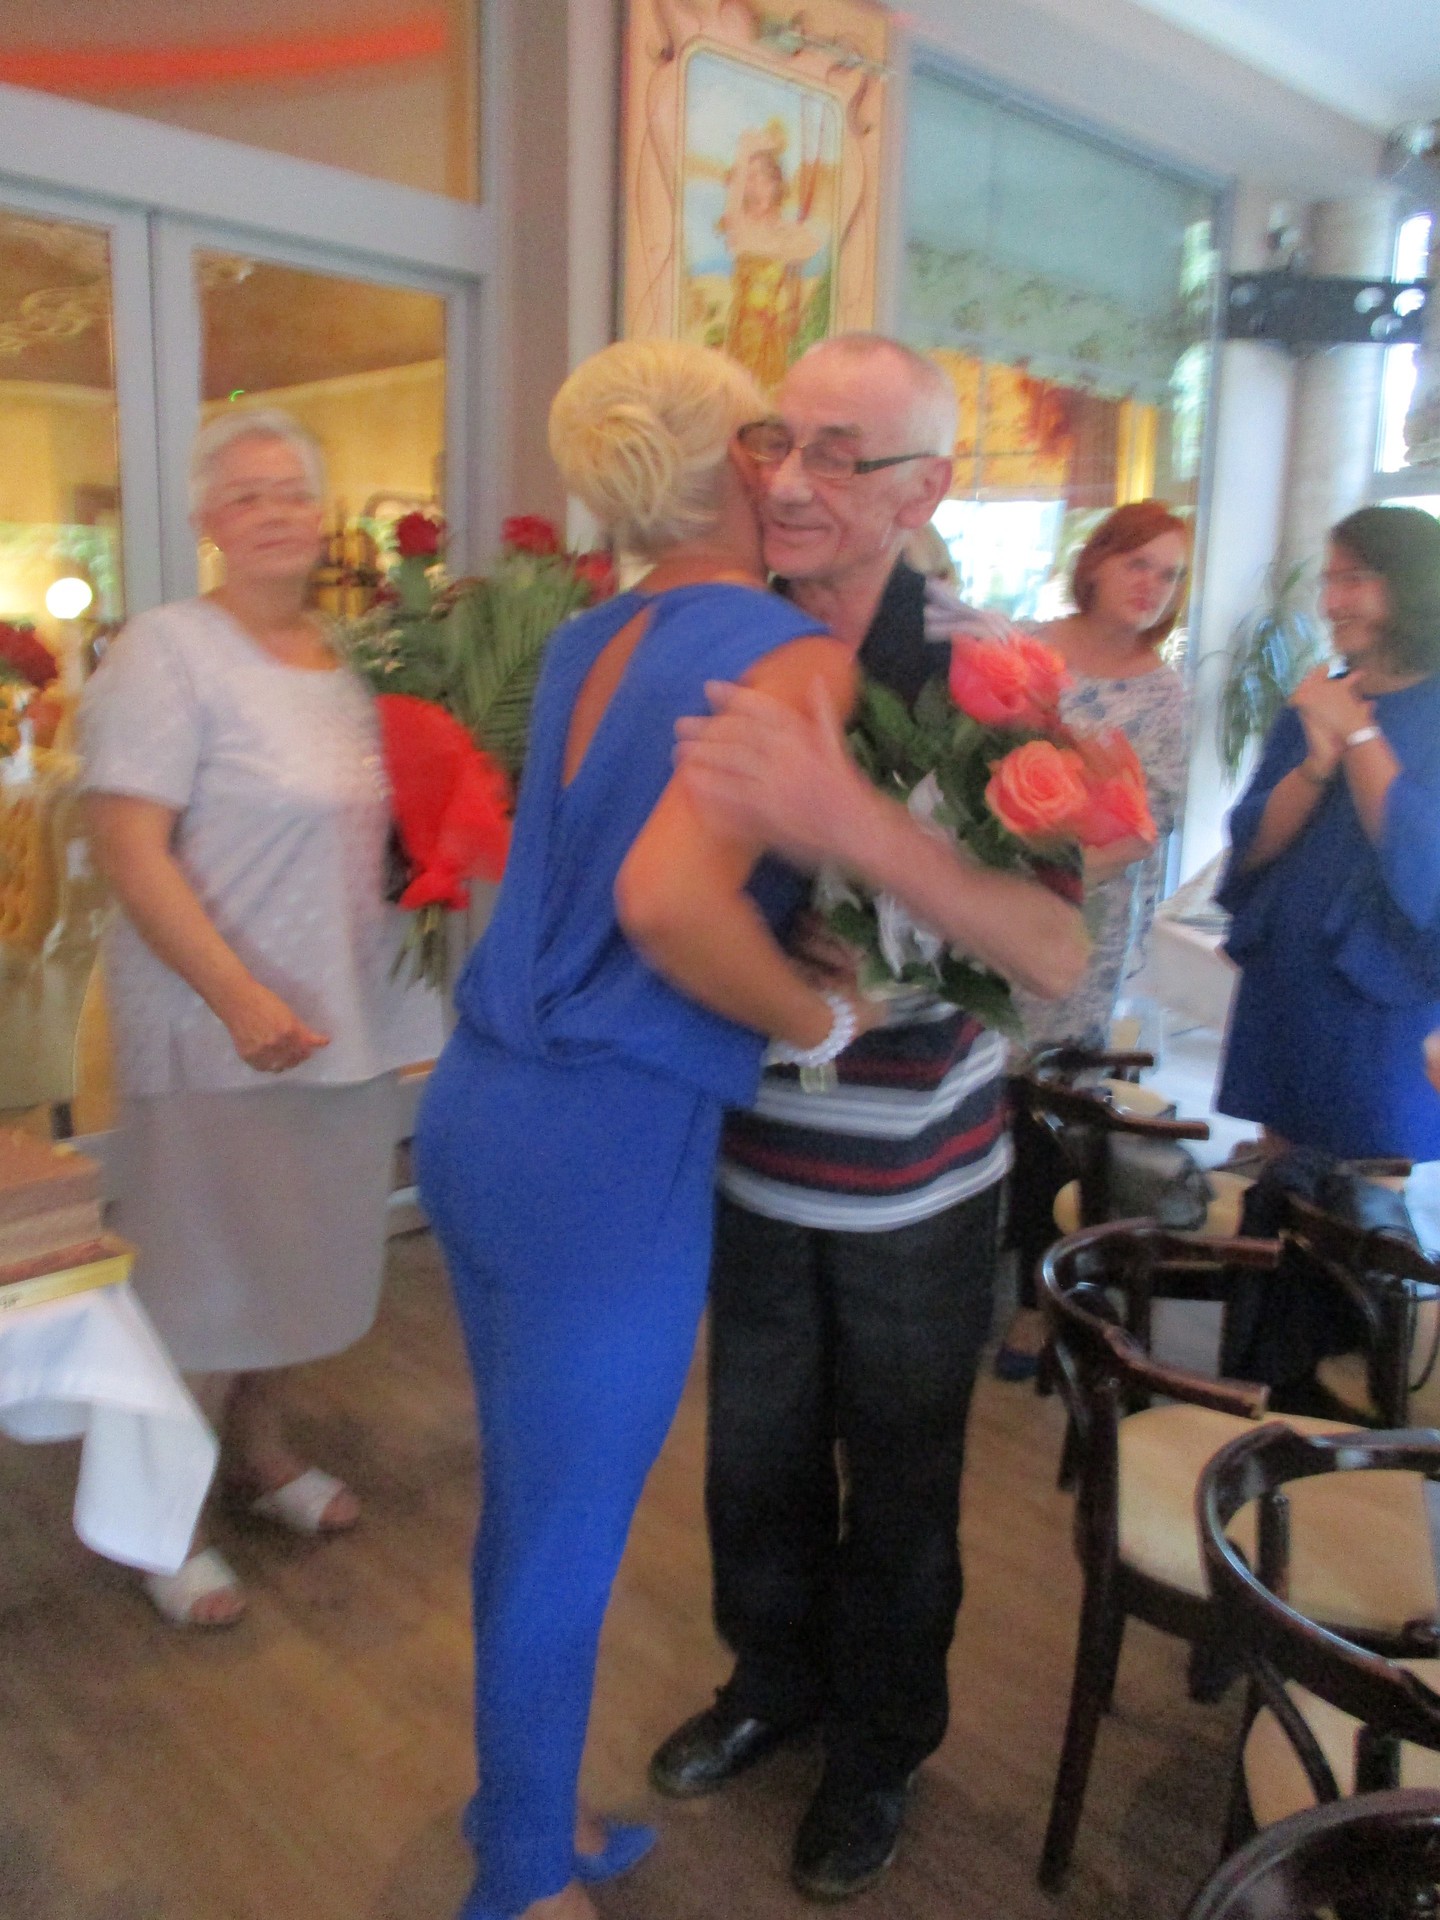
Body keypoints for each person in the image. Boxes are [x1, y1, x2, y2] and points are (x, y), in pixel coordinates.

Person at [412, 338, 869, 1920]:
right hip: (605, 1141)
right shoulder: (791, 653)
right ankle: (523, 1880)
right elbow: (667, 904)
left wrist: (772, 939)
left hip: (478, 1107)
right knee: (564, 1527)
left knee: (529, 1503)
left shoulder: (586, 636)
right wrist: (812, 1018)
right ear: (742, 456)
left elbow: (619, 863)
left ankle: (518, 1809)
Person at [653, 334, 1087, 1901]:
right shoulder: (717, 633)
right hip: (749, 1154)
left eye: (838, 454)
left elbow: (1055, 955)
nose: (787, 480)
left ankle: (881, 1749)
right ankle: (770, 1684)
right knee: (755, 1463)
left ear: (929, 489)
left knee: (900, 1488)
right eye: (777, 441)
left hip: (920, 1177)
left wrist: (857, 834)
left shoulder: (991, 675)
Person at [80, 408, 419, 1627]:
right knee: (197, 1279)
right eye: (246, 493)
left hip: (340, 1016)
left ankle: (258, 1454)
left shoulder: (350, 661)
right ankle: (153, 1521)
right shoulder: (167, 652)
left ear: (321, 516)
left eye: (292, 490)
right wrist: (235, 995)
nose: (274, 510)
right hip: (212, 1020)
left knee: (300, 1263)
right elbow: (128, 846)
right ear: (205, 521)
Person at [928, 501, 1192, 1376]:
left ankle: (1037, 1306)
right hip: (984, 900)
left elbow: (1147, 821)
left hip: (1081, 917)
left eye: (1169, 574)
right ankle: (956, 1285)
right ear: (1097, 562)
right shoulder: (1027, 651)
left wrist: (1054, 879)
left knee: (1046, 1109)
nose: (1151, 586)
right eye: (1138, 564)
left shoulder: (1163, 692)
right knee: (970, 1093)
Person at [1216, 504, 1440, 1162]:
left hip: (1382, 1002)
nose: (1330, 603)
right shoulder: (1317, 699)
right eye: (1328, 582)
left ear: (1413, 584)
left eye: (1353, 580)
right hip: (1289, 985)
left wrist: (1359, 734)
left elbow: (1423, 863)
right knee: (1279, 1190)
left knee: (1362, 1204)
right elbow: (1251, 846)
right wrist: (1316, 764)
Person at [720, 123, 829, 390]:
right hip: (746, 330)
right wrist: (746, 149)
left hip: (777, 331)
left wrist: (780, 243)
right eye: (749, 178)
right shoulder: (741, 228)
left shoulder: (790, 231)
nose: (755, 185)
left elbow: (809, 249)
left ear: (776, 184)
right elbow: (738, 226)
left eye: (763, 178)